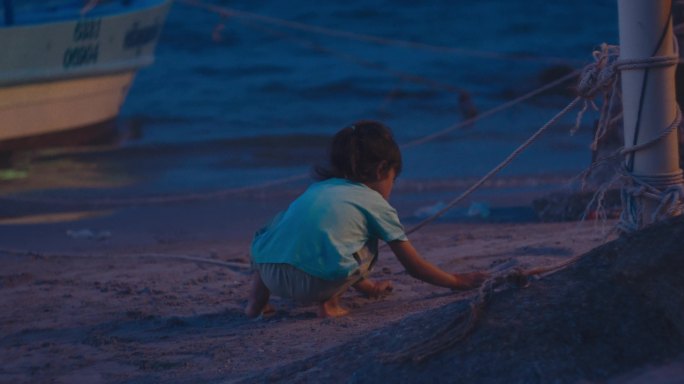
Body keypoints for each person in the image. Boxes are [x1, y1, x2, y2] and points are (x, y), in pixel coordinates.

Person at [245, 120, 488, 318]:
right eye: (394, 178)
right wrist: (456, 281)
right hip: (316, 284)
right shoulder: (374, 203)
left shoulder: (317, 190)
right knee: (354, 241)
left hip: (269, 275)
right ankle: (329, 305)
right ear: (383, 169)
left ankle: (256, 303)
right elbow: (413, 266)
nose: (392, 186)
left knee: (279, 236)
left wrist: (369, 287)